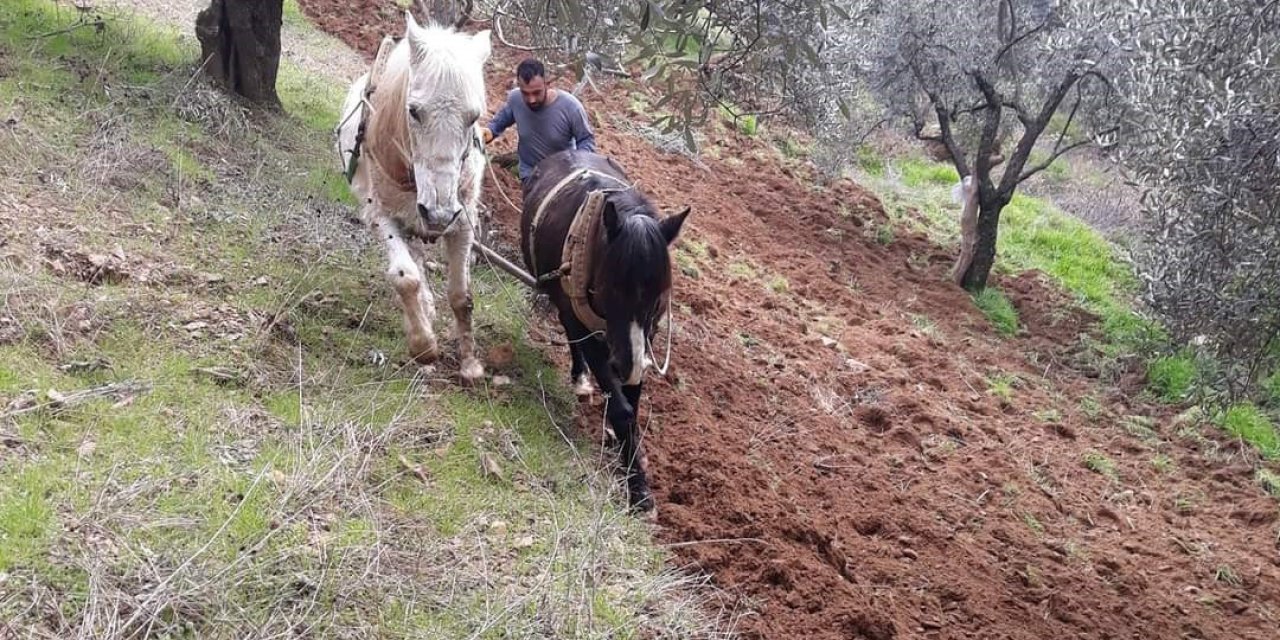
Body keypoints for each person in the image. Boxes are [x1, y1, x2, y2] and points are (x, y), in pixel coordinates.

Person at [483, 58, 596, 191]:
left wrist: (578, 166)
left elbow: (586, 139)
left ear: (547, 84)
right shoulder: (515, 99)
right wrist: (488, 132)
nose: (531, 100)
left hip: (563, 178)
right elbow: (499, 122)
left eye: (537, 92)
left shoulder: (571, 107)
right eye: (525, 93)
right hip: (530, 175)